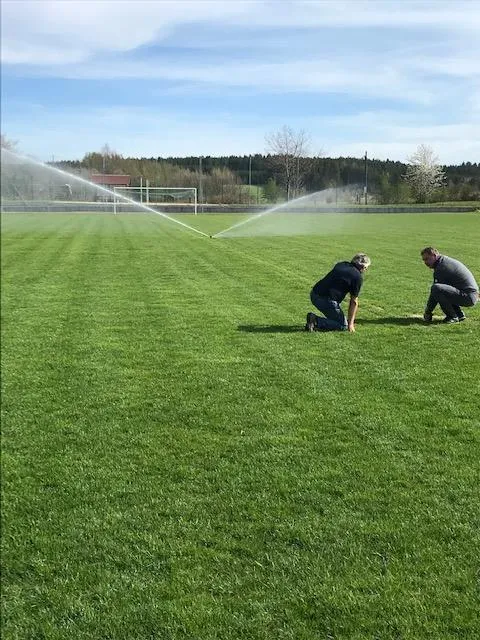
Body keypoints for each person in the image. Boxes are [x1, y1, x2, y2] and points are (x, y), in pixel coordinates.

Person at [305, 253, 371, 333]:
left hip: (314, 293)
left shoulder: (342, 264)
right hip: (325, 300)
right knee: (343, 325)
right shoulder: (357, 277)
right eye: (366, 268)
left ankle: (318, 320)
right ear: (363, 267)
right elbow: (354, 301)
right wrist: (351, 324)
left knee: (335, 316)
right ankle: (315, 320)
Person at [421, 247, 479, 323]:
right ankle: (459, 314)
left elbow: (435, 292)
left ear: (434, 255)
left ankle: (452, 316)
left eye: (427, 259)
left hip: (468, 296)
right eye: (424, 260)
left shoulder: (442, 267)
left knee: (437, 288)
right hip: (470, 294)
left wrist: (428, 312)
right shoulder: (443, 261)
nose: (425, 262)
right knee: (443, 290)